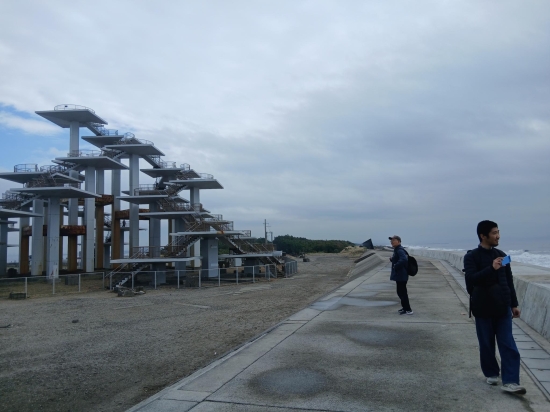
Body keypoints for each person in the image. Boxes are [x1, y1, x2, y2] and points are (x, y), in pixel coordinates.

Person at [464, 220, 525, 395]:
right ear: (483, 236)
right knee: (486, 344)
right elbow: (471, 280)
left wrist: (513, 304)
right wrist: (491, 268)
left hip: (502, 307)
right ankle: (491, 372)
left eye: (498, 232)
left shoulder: (502, 255)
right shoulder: (471, 256)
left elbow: (509, 281)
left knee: (508, 344)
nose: (498, 236)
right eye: (494, 233)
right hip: (483, 307)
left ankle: (511, 381)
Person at [389, 235, 413, 315]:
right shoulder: (397, 249)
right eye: (391, 241)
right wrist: (392, 259)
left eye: (394, 240)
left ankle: (408, 309)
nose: (392, 242)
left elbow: (403, 259)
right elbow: (400, 259)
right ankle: (405, 308)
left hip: (401, 275)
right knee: (401, 292)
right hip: (400, 275)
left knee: (402, 293)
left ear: (399, 242)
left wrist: (396, 265)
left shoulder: (399, 250)